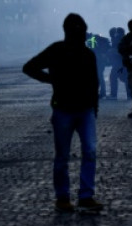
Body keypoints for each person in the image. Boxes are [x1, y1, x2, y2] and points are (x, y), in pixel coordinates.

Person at [22, 13, 103, 213]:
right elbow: (29, 67)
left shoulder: (83, 53)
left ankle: (82, 196)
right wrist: (51, 80)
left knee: (81, 153)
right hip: (67, 110)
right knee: (69, 155)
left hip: (80, 109)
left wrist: (50, 80)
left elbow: (94, 82)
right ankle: (66, 196)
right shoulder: (62, 51)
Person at [86, 31, 110, 99]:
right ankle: (102, 93)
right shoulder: (95, 37)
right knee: (99, 76)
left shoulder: (92, 39)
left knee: (98, 76)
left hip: (98, 61)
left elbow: (93, 50)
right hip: (100, 60)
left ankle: (101, 93)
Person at [107, 27, 125, 100]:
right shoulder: (124, 39)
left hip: (119, 64)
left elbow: (116, 50)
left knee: (113, 77)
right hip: (124, 63)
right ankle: (130, 95)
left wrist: (110, 52)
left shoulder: (117, 39)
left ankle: (113, 95)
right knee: (125, 79)